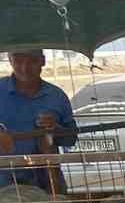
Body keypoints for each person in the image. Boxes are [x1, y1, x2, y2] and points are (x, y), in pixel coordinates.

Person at [0, 49, 77, 191]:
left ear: (43, 61)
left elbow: (71, 139)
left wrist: (56, 128)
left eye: (32, 61)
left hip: (48, 186)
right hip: (4, 188)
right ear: (10, 61)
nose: (25, 68)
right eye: (18, 61)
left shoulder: (56, 96)